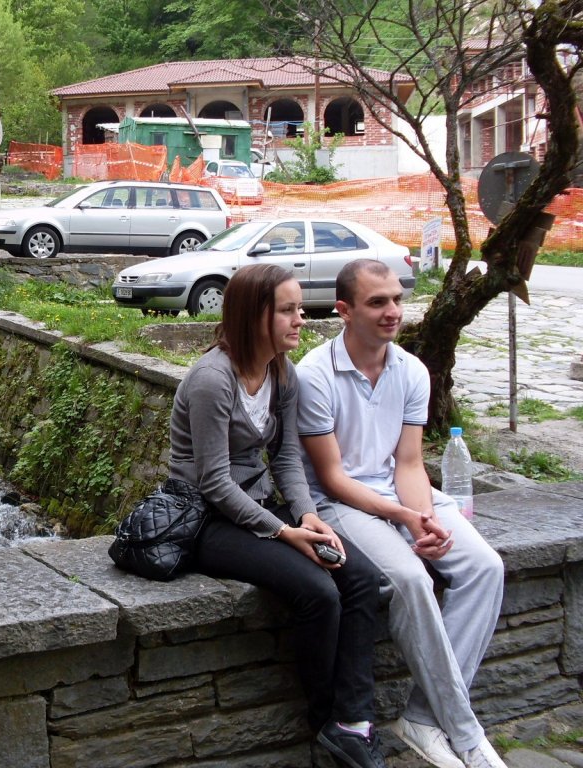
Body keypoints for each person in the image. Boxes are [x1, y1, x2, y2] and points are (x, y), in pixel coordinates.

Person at [168, 263, 386, 768]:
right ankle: (325, 717)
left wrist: (309, 516)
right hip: (205, 519)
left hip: (263, 507)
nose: (300, 319)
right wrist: (286, 532)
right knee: (316, 592)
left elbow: (287, 457)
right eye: (286, 310)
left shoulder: (281, 372)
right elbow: (214, 482)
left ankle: (354, 721)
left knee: (361, 579)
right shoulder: (211, 380)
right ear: (253, 315)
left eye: (298, 307)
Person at [296, 259, 506, 768]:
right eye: (377, 302)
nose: (393, 311)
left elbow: (409, 462)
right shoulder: (313, 376)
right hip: (339, 505)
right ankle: (465, 731)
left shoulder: (411, 370)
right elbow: (333, 478)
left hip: (398, 494)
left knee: (485, 567)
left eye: (396, 299)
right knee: (411, 579)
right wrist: (405, 519)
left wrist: (423, 519)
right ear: (344, 310)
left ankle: (422, 719)